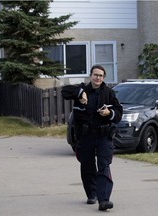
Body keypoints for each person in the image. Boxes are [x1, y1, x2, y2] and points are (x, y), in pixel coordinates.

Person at [61, 65, 123, 211]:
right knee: (87, 165)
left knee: (103, 166)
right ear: (90, 76)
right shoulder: (81, 91)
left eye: (101, 76)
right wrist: (80, 93)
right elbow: (64, 91)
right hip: (85, 136)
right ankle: (92, 193)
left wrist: (109, 113)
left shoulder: (109, 93)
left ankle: (104, 199)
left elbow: (119, 113)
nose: (98, 78)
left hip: (103, 136)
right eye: (95, 75)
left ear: (103, 78)